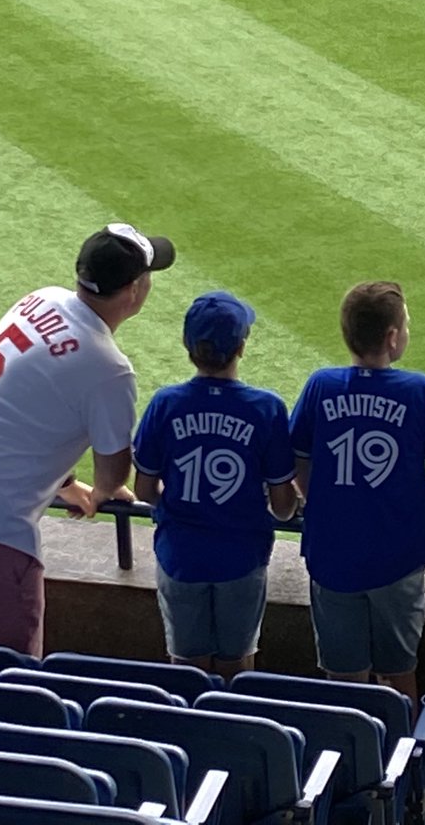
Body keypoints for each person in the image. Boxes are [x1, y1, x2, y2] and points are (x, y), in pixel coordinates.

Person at [0, 222, 176, 658]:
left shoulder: (41, 299)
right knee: (9, 671)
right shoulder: (108, 369)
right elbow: (113, 473)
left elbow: (19, 405)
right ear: (136, 290)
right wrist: (102, 492)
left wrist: (64, 485)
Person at [289, 281, 425, 710]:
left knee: (342, 682)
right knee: (399, 677)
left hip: (332, 557)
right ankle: (405, 770)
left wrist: (324, 506)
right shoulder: (420, 391)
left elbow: (297, 463)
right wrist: (421, 533)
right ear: (391, 337)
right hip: (397, 562)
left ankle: (348, 770)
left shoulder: (320, 386)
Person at [133, 291, 297, 679]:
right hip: (241, 559)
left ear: (187, 345)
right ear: (241, 346)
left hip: (180, 555)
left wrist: (173, 510)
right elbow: (283, 505)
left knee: (186, 670)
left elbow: (143, 490)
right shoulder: (266, 408)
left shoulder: (165, 403)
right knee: (237, 669)